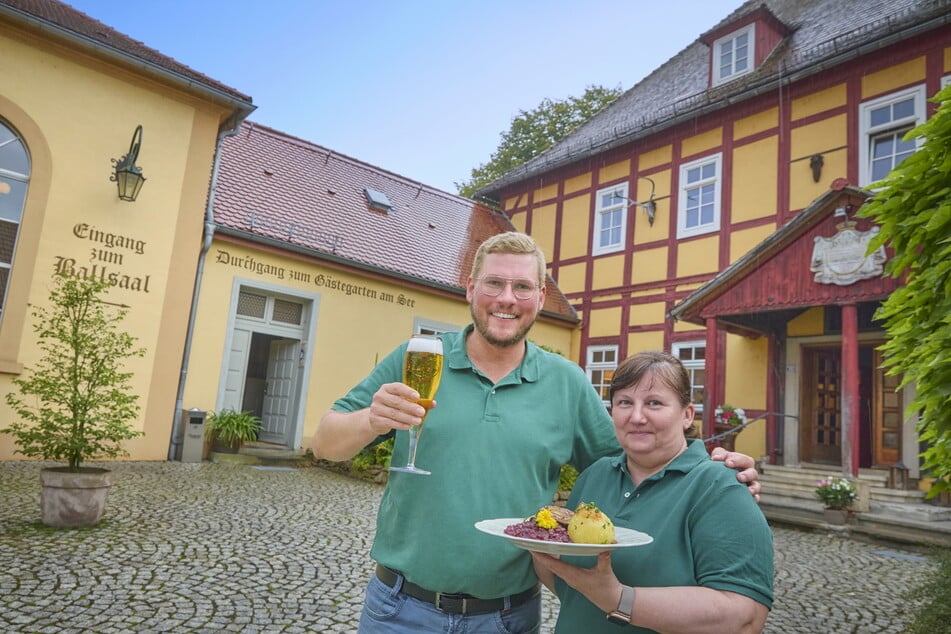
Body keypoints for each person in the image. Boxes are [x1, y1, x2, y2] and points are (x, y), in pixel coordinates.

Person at [313, 232, 762, 634]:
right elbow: (326, 444)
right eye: (494, 283)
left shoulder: (566, 382)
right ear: (470, 288)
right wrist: (371, 420)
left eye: (522, 287)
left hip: (507, 616)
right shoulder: (418, 358)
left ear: (540, 297)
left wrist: (714, 472)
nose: (506, 298)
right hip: (400, 610)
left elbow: (636, 463)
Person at [531, 350, 773, 634]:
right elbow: (572, 587)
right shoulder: (594, 476)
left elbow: (745, 617)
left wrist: (618, 599)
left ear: (686, 414)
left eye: (654, 403)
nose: (636, 416)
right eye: (624, 402)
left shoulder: (719, 487)